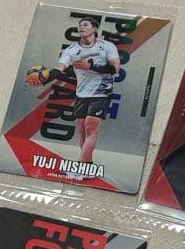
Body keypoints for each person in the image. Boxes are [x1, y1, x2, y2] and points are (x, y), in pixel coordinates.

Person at [26, 17, 121, 169]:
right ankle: (87, 165)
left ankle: (80, 165)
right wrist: (43, 80)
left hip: (101, 92)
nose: (81, 27)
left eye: (85, 25)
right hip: (81, 94)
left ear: (94, 29)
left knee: (90, 126)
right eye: (79, 25)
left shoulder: (107, 46)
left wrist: (90, 66)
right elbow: (59, 69)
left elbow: (114, 69)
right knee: (82, 129)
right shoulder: (71, 50)